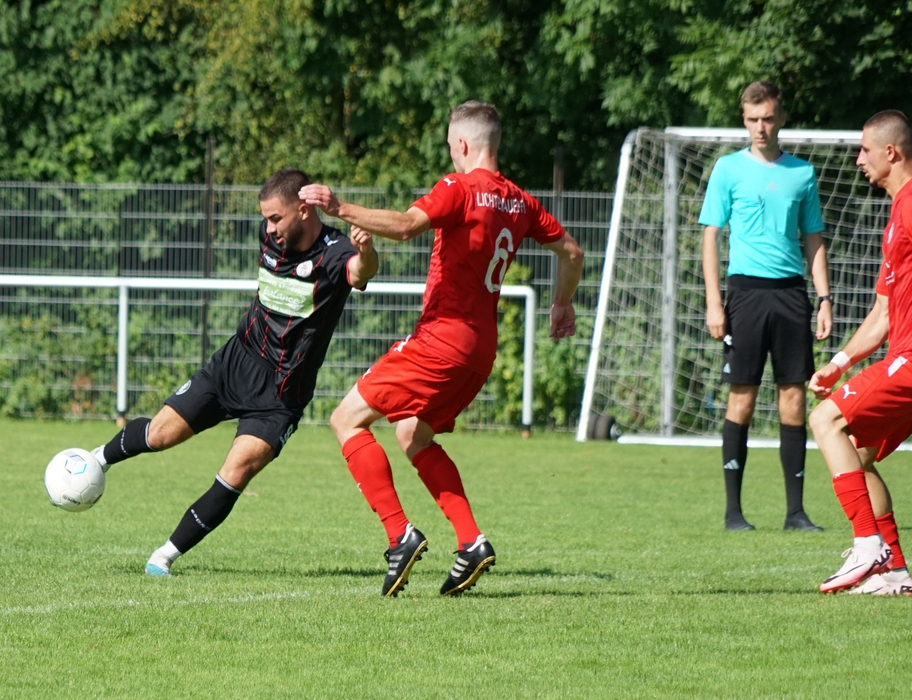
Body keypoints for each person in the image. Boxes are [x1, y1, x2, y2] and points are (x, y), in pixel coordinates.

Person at [299, 100, 584, 597]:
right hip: (480, 350)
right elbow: (573, 252)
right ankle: (471, 542)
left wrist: (339, 207)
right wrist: (562, 304)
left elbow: (407, 225)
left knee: (345, 419)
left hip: (442, 340)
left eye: (451, 145)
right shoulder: (520, 202)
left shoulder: (459, 188)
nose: (451, 154)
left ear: (463, 144)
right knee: (413, 433)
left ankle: (400, 536)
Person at [85, 167, 379, 576]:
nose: (269, 227)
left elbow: (361, 273)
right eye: (265, 219)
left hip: (280, 393)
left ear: (304, 211)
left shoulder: (334, 251)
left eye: (276, 217)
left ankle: (163, 556)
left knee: (236, 472)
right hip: (233, 364)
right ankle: (95, 460)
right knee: (159, 435)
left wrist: (367, 250)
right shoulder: (271, 238)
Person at [808, 110, 912, 596]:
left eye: (865, 150)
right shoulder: (898, 213)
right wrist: (839, 364)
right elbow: (883, 314)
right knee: (857, 454)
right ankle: (894, 572)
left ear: (891, 152)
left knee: (825, 421)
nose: (858, 160)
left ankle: (868, 546)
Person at [699, 80, 832, 532]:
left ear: (781, 119)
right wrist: (714, 302)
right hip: (745, 295)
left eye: (768, 118)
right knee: (742, 398)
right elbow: (711, 236)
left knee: (794, 399)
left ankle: (795, 512)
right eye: (753, 119)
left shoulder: (802, 173)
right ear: (744, 119)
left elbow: (813, 238)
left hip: (792, 294)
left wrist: (824, 299)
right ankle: (733, 513)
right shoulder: (727, 169)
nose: (761, 127)